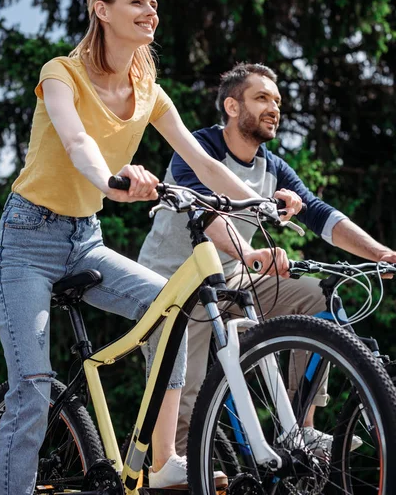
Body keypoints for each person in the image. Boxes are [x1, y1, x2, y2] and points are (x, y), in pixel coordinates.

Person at [0, 0, 304, 494]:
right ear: (102, 9)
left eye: (154, 4)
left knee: (171, 309)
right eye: (136, 2)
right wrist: (114, 182)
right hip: (27, 240)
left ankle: (163, 461)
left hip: (84, 239)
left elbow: (203, 162)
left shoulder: (149, 92)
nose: (150, 12)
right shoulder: (61, 73)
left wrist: (259, 203)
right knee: (33, 388)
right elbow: (76, 142)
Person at [138, 61, 396, 456]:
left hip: (234, 280)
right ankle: (172, 466)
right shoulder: (200, 148)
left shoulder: (272, 167)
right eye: (261, 98)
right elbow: (203, 216)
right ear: (232, 107)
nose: (274, 107)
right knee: (182, 395)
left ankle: (300, 426)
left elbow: (320, 214)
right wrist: (250, 253)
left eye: (277, 100)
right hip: (175, 283)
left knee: (316, 300)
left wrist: (380, 252)